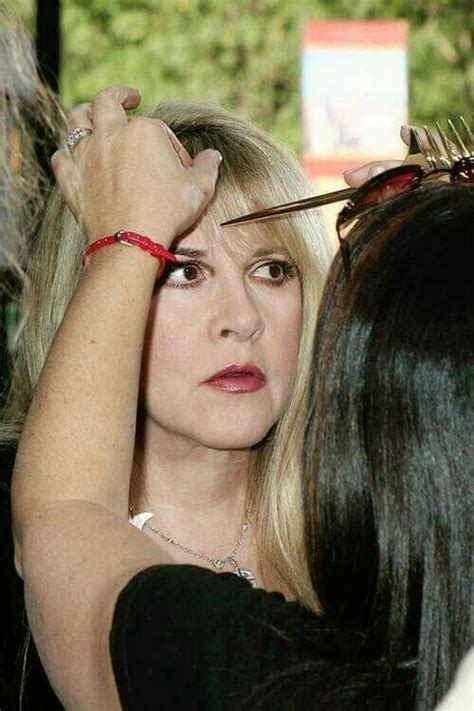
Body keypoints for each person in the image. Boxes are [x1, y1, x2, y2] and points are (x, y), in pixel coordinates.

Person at [10, 81, 473, 710]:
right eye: (183, 270)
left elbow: (62, 518)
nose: (242, 317)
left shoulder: (386, 533)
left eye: (273, 270)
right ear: (88, 298)